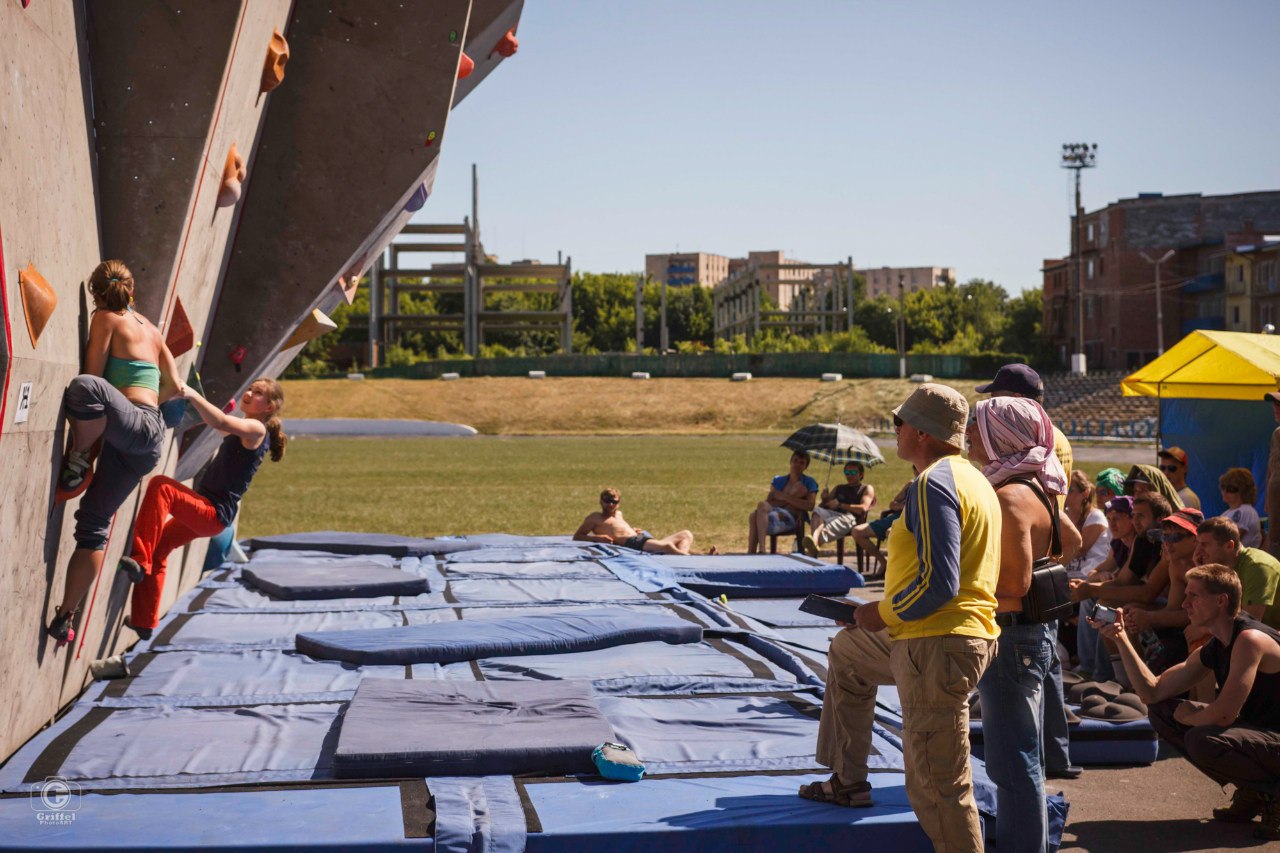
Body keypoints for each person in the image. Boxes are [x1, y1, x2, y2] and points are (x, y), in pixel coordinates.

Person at [800, 384, 999, 853]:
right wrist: (875, 620)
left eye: (900, 423)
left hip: (936, 643)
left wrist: (879, 612)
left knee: (938, 788)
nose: (895, 432)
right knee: (847, 652)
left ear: (924, 432)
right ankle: (848, 780)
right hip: (936, 636)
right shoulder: (971, 478)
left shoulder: (935, 484)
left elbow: (939, 584)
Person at [47, 260, 183, 644]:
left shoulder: (105, 318)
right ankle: (64, 618)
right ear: (132, 291)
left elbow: (93, 374)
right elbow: (175, 387)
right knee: (92, 524)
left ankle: (79, 456)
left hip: (133, 424)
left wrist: (91, 442)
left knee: (84, 388)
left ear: (96, 294)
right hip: (147, 439)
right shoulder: (153, 332)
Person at [969, 396, 1080, 853]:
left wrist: (960, 595)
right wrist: (1043, 570)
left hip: (1012, 637)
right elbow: (1069, 542)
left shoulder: (1009, 495)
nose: (971, 439)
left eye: (978, 430)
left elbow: (1012, 583)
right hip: (1031, 637)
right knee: (1024, 759)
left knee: (1013, 766)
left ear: (1001, 436)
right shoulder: (1038, 486)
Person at [1097, 564, 1280, 840]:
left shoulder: (1250, 639)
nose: (1184, 603)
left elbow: (1224, 715)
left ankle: (1274, 795)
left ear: (1221, 601)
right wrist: (1122, 639)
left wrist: (1193, 716)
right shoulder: (1217, 643)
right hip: (1263, 737)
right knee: (1162, 712)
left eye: (1194, 596)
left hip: (1273, 737)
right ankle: (1254, 791)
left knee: (1201, 738)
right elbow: (1152, 692)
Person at [118, 379, 287, 639]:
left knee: (162, 487)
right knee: (161, 546)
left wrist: (193, 395)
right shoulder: (245, 430)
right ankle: (144, 620)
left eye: (259, 393)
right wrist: (197, 403)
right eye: (251, 388)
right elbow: (217, 423)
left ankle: (141, 560)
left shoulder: (256, 429)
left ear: (269, 407)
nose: (250, 393)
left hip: (212, 512)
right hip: (211, 514)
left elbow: (219, 422)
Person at [1071, 494, 1172, 681]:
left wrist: (1091, 588)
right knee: (1102, 606)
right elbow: (1123, 581)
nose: (1136, 521)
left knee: (1111, 608)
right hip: (1156, 604)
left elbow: (1148, 593)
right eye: (1134, 516)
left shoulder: (1169, 543)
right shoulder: (1142, 541)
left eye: (1141, 516)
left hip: (1175, 611)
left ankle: (1121, 679)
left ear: (1159, 519)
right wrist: (1087, 586)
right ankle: (1114, 678)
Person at [1121, 508, 1205, 673]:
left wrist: (1150, 618)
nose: (1166, 543)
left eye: (1174, 537)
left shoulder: (1206, 564)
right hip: (1194, 622)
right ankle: (1134, 678)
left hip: (1211, 627)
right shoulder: (1176, 563)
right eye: (1163, 536)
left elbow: (1199, 615)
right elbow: (1174, 610)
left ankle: (1198, 697)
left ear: (1195, 539)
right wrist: (1142, 617)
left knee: (1197, 638)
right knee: (1130, 614)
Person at [1193, 517, 1280, 630]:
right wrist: (1202, 572)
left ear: (1229, 546)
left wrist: (1205, 630)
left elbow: (1250, 623)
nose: (1198, 551)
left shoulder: (1256, 567)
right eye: (1198, 544)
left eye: (1205, 545)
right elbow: (1203, 608)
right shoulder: (1224, 567)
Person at [574, 488, 695, 555]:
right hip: (631, 543)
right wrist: (597, 538)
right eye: (607, 501)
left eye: (614, 502)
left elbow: (620, 529)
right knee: (668, 546)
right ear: (601, 501)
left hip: (640, 539)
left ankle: (683, 557)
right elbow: (578, 536)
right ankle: (690, 559)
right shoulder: (595, 517)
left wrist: (632, 530)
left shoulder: (619, 514)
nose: (611, 504)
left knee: (686, 534)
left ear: (619, 503)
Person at [747, 451, 817, 554]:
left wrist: (784, 497)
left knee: (754, 517)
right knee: (760, 507)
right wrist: (792, 499)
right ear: (790, 461)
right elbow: (770, 502)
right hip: (772, 513)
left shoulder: (808, 482)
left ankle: (755, 552)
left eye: (802, 463)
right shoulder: (779, 480)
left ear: (806, 467)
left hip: (789, 518)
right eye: (795, 460)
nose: (797, 464)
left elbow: (810, 506)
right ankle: (758, 550)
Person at [802, 461, 875, 557]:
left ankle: (813, 549)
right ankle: (814, 541)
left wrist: (840, 505)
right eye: (847, 473)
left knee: (826, 525)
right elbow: (822, 508)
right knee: (816, 511)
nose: (849, 475)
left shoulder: (866, 488)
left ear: (861, 474)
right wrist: (824, 499)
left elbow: (863, 508)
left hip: (850, 517)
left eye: (853, 473)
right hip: (832, 514)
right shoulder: (839, 488)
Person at [846, 479, 911, 577]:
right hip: (895, 517)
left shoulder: (929, 485)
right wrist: (900, 506)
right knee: (857, 531)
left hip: (911, 519)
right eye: (914, 468)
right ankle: (883, 562)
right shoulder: (911, 484)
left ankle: (898, 569)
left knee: (891, 533)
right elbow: (892, 504)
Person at [1065, 470, 1111, 579]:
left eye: (1070, 490)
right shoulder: (1063, 514)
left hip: (1088, 576)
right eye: (1063, 487)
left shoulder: (1095, 517)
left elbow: (1079, 550)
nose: (1064, 493)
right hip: (1067, 575)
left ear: (1085, 493)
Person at [1219, 467, 1262, 549]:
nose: (1224, 491)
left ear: (1243, 491)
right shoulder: (1226, 513)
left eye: (1230, 489)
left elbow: (1233, 538)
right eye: (1223, 487)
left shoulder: (1246, 510)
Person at [1265, 389, 1280, 559]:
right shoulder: (1276, 434)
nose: (1276, 407)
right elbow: (1271, 467)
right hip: (1274, 510)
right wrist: (1268, 500)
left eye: (1279, 404)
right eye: (1275, 403)